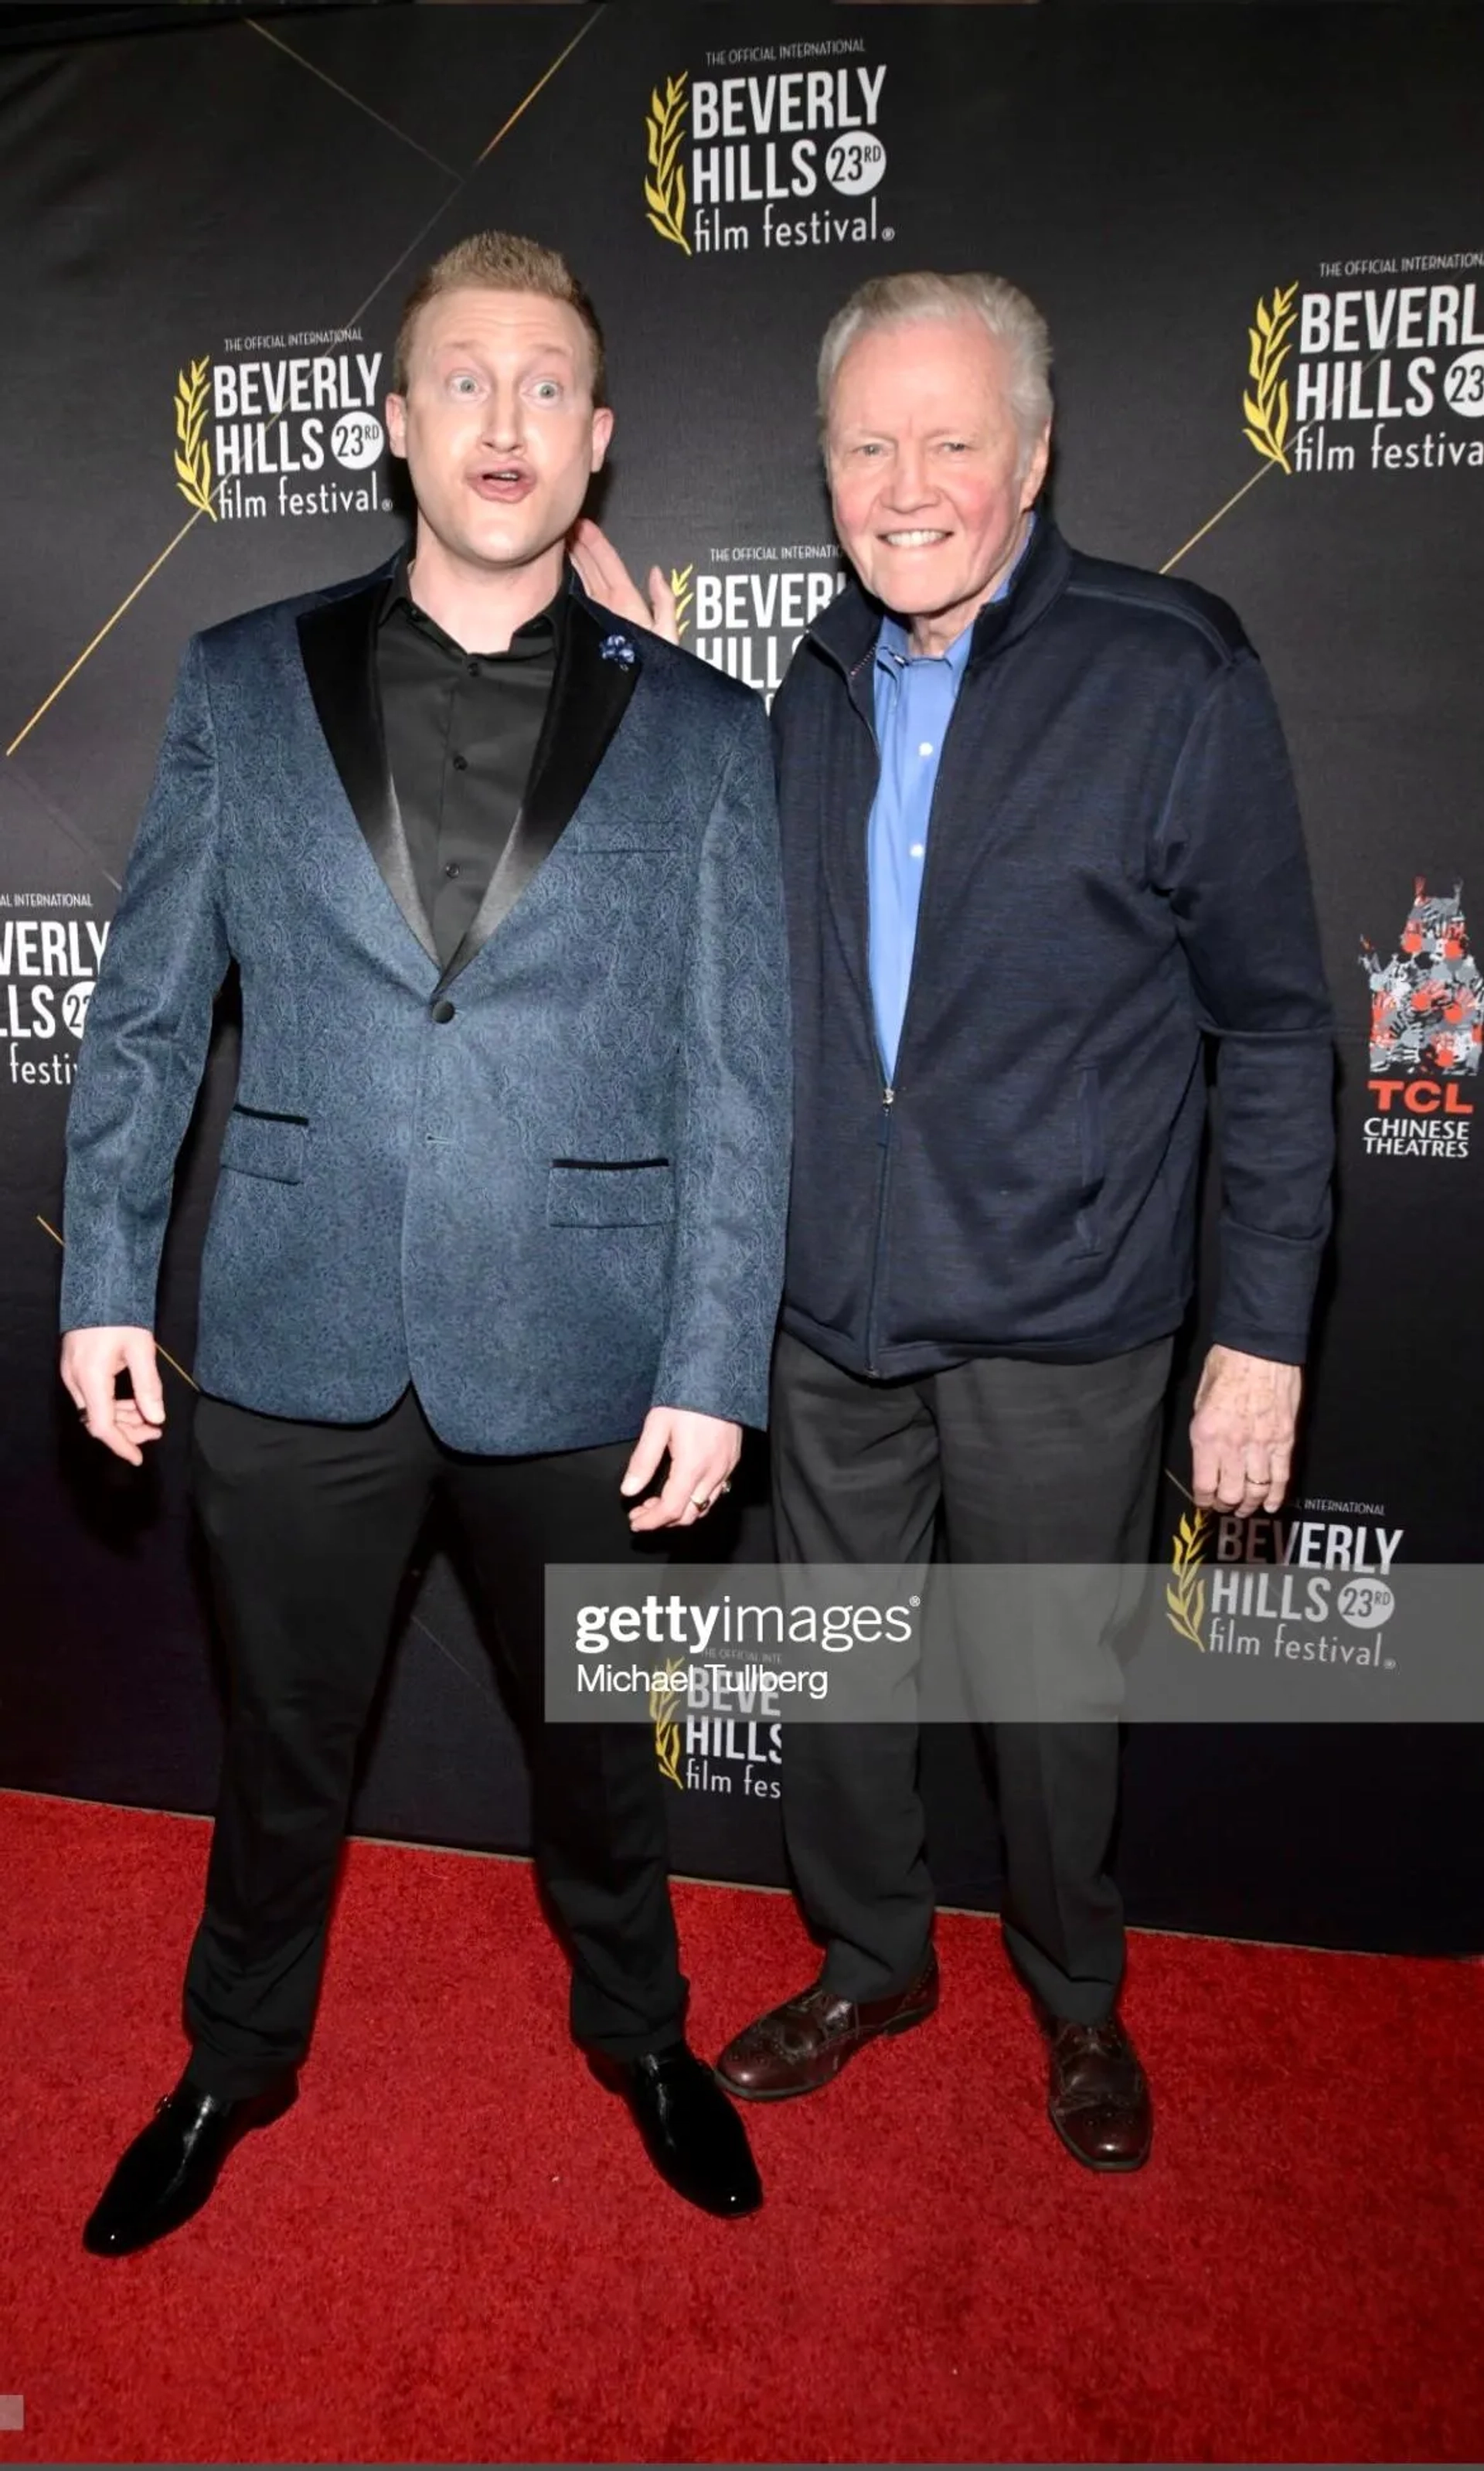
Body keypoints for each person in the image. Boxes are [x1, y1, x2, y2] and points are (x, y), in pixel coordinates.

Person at [60, 229, 790, 2254]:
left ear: (602, 439)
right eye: (462, 380)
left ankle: (644, 2034)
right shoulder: (236, 679)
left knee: (601, 1764)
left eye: (546, 384)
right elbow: (143, 1006)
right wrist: (104, 1274)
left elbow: (743, 1073)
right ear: (393, 424)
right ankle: (231, 2061)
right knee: (279, 1749)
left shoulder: (711, 734)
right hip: (295, 1329)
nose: (504, 420)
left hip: (579, 1345)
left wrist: (717, 1361)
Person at [572, 267, 1335, 2173]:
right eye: (869, 444)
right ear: (825, 464)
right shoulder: (806, 696)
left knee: (1053, 1692)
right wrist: (642, 685)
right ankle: (870, 1956)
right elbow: (703, 938)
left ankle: (1078, 1998)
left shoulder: (1174, 669)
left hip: (1067, 1317)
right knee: (838, 1670)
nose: (909, 483)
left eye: (954, 440)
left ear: (1036, 454)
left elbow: (1279, 1022)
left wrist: (1264, 1331)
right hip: (831, 1313)